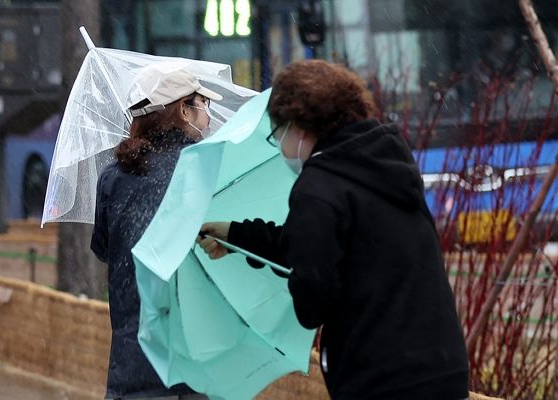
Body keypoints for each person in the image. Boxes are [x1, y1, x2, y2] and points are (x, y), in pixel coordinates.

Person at [198, 60, 469, 400]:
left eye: (278, 134)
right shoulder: (382, 163)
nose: (282, 147)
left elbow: (312, 302)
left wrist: (299, 280)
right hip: (441, 367)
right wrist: (235, 235)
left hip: (380, 378)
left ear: (299, 127)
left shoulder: (318, 188)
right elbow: (334, 245)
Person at [91, 63, 219, 400]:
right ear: (183, 108)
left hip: (134, 362)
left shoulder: (113, 178)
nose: (207, 113)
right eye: (204, 103)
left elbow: (105, 249)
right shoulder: (206, 169)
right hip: (195, 359)